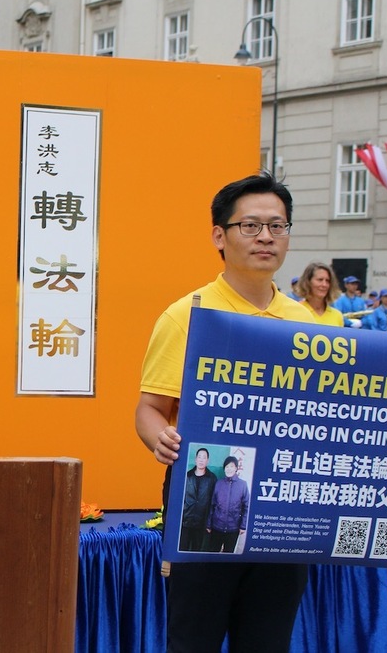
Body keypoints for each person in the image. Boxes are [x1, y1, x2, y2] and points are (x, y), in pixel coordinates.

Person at [135, 172, 313, 652]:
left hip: (282, 505)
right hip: (204, 500)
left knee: (268, 639)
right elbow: (150, 408)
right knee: (194, 638)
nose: (266, 238)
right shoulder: (186, 314)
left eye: (278, 226)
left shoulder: (308, 322)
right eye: (251, 226)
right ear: (220, 235)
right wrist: (161, 439)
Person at [207, 456, 249, 553]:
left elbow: (246, 507)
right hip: (217, 526)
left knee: (228, 554)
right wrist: (209, 524)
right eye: (227, 467)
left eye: (231, 466)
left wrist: (243, 526)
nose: (229, 469)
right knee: (212, 553)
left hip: (233, 528)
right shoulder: (218, 483)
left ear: (236, 468)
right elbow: (212, 505)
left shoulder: (243, 485)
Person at [179, 447, 216, 552]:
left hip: (201, 523)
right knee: (182, 548)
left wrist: (209, 522)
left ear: (207, 461)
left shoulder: (212, 478)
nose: (201, 460)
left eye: (204, 457)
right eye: (199, 457)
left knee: (196, 550)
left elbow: (213, 502)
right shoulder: (187, 476)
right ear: (195, 459)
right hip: (186, 521)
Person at [295, 262, 343, 326]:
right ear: (308, 282)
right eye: (320, 280)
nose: (324, 285)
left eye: (327, 281)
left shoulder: (337, 315)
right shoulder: (296, 311)